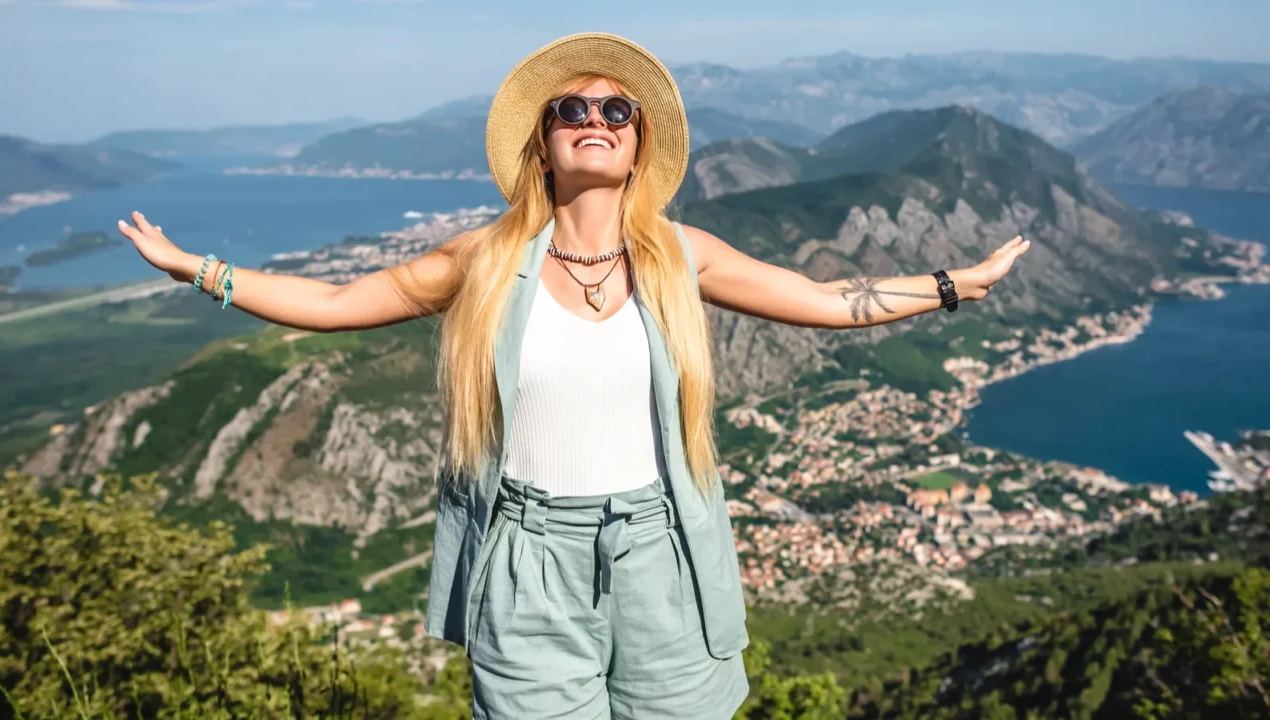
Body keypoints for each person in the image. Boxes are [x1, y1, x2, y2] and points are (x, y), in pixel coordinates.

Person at [118, 31, 1029, 720]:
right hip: (525, 557)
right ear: (543, 143)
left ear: (637, 146)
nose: (594, 121)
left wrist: (954, 285)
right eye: (572, 111)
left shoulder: (682, 255)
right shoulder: (485, 257)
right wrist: (197, 269)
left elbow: (831, 299)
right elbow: (336, 301)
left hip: (662, 548)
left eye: (615, 112)